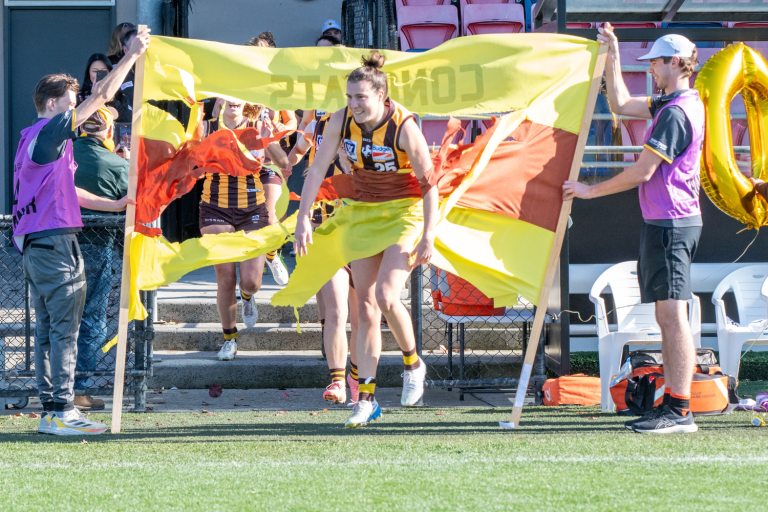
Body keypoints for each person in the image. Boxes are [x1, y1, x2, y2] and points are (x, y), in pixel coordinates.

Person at [562, 25, 703, 434]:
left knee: (673, 316)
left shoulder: (675, 112)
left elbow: (642, 172)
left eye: (655, 63)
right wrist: (613, 54)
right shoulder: (673, 102)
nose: (651, 70)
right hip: (666, 222)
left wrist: (589, 190)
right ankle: (673, 405)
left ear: (675, 63)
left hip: (672, 223)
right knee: (667, 315)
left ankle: (679, 411)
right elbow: (621, 104)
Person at [11, 27, 150, 436]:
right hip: (53, 243)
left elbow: (68, 190)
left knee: (49, 332)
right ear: (52, 104)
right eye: (72, 104)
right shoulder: (50, 130)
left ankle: (52, 412)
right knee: (64, 332)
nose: (79, 111)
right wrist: (131, 55)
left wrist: (115, 205)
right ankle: (62, 411)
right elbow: (101, 96)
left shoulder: (34, 139)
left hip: (39, 244)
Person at [291, 51, 436, 427]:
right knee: (366, 309)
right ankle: (366, 400)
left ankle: (413, 364)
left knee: (386, 296)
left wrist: (429, 234)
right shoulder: (340, 120)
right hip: (363, 212)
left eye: (361, 97)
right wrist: (303, 218)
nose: (354, 104)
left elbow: (429, 183)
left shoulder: (404, 126)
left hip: (404, 213)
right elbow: (317, 169)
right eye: (350, 96)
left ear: (381, 97)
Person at [198, 100, 290, 361]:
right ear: (220, 100)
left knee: (251, 281)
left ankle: (247, 296)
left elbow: (283, 162)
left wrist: (268, 139)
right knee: (226, 278)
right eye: (226, 95)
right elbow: (187, 161)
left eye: (237, 96)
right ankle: (229, 339)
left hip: (252, 210)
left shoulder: (258, 126)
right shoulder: (205, 128)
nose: (233, 100)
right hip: (215, 207)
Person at [287, 103, 359, 404]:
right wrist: (276, 157)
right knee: (336, 311)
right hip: (324, 225)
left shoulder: (367, 125)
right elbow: (295, 156)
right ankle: (337, 380)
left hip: (362, 230)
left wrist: (346, 162)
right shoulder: (316, 121)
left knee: (362, 316)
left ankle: (357, 377)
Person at [72, 106, 128, 410]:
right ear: (109, 131)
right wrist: (125, 163)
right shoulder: (117, 164)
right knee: (92, 320)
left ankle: (53, 388)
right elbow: (133, 201)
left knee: (56, 318)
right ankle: (79, 390)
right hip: (97, 246)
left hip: (56, 243)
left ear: (82, 127)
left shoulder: (61, 155)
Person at [245, 32, 296, 283]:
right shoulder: (242, 85)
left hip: (272, 160)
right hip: (244, 161)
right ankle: (257, 263)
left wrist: (281, 129)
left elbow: (293, 121)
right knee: (249, 217)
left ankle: (273, 254)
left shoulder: (280, 87)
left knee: (272, 214)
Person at [76, 53, 131, 123]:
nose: (98, 75)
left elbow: (127, 121)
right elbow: (76, 121)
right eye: (95, 71)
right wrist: (93, 97)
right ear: (88, 73)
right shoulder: (79, 96)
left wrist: (111, 98)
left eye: (103, 71)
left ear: (110, 73)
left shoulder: (121, 97)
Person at [114, 27, 138, 123]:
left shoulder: (155, 71)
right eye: (135, 45)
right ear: (125, 49)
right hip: (126, 126)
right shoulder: (118, 73)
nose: (140, 49)